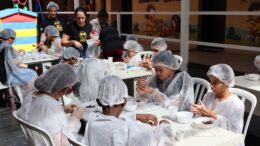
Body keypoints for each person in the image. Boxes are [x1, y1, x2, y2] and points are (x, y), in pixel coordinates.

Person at [83, 75, 175, 146]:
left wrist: (135, 116)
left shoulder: (92, 119)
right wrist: (165, 125)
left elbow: (111, 121)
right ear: (125, 101)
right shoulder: (129, 130)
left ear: (98, 102)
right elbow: (165, 141)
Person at [17, 64, 84, 146]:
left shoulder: (30, 96)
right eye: (68, 91)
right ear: (65, 89)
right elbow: (64, 141)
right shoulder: (51, 105)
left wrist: (62, 109)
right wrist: (75, 118)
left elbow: (38, 114)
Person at [190, 64, 245, 134]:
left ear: (227, 83)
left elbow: (235, 131)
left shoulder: (236, 104)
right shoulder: (208, 96)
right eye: (210, 81)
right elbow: (202, 120)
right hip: (209, 133)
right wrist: (200, 113)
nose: (211, 85)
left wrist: (212, 115)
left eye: (215, 82)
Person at [0, 29, 37, 95]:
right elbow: (14, 63)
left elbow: (6, 60)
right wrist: (21, 55)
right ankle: (29, 97)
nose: (14, 41)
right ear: (9, 39)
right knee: (33, 73)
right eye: (13, 39)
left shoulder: (1, 44)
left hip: (3, 75)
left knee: (26, 71)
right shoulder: (6, 46)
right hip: (5, 78)